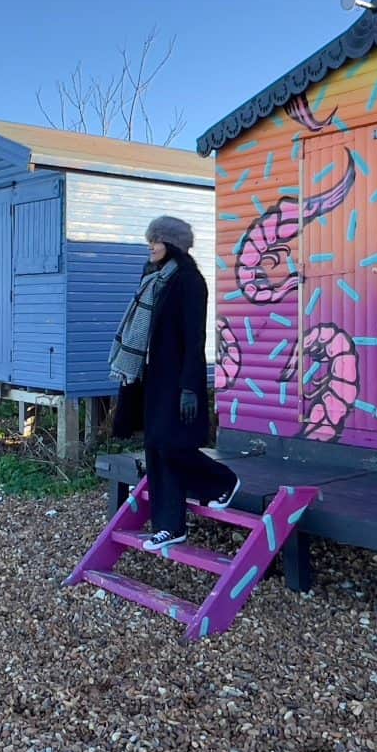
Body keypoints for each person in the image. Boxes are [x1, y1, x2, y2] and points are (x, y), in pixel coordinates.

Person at [109, 215, 239, 551]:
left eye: (157, 240)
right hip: (150, 376)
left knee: (170, 445)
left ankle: (223, 481)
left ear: (173, 244)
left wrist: (189, 387)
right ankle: (170, 526)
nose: (151, 246)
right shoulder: (153, 278)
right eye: (150, 239)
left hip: (177, 377)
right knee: (155, 449)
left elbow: (195, 339)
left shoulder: (189, 281)